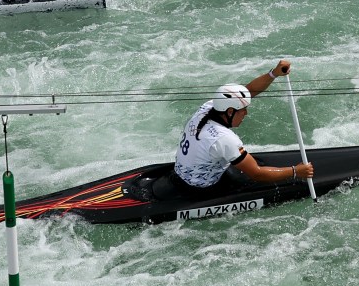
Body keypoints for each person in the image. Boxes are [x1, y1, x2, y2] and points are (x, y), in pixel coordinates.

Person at [128, 62, 315, 203]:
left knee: (244, 161)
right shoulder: (224, 139)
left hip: (180, 175)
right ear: (230, 111)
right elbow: (257, 174)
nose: (246, 113)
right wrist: (295, 171)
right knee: (256, 171)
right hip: (200, 189)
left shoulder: (208, 107)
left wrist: (273, 74)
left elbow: (248, 90)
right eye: (243, 110)